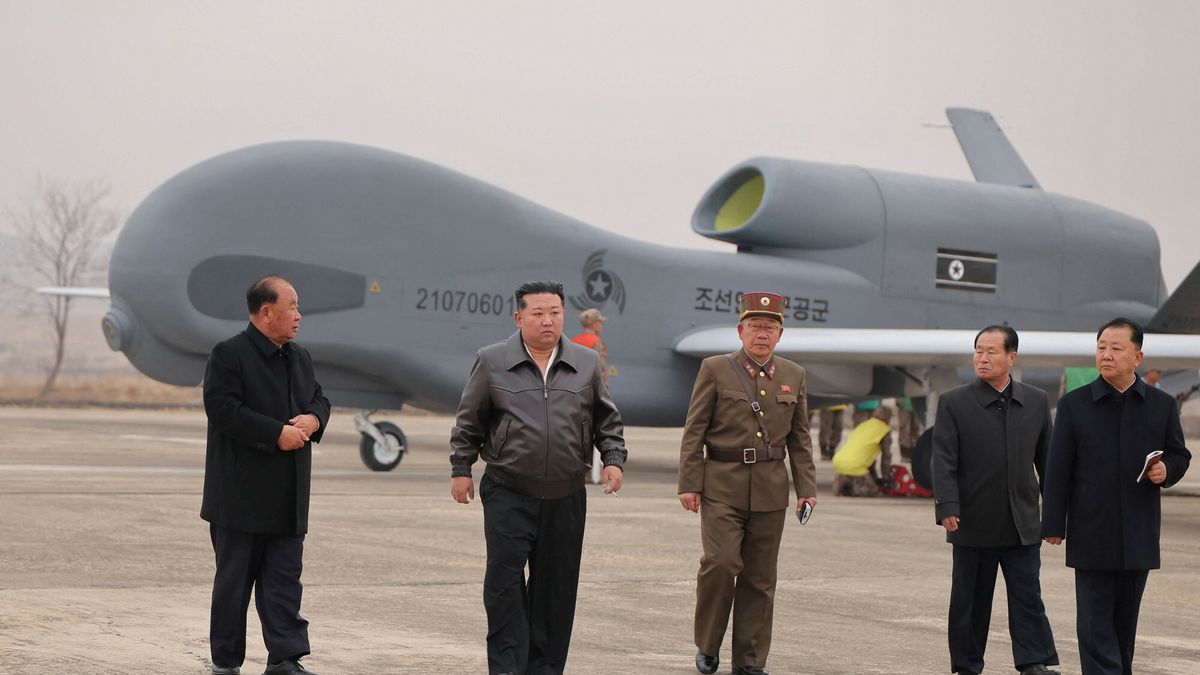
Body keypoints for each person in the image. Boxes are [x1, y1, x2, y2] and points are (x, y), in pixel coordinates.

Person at [450, 280, 627, 675]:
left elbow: (606, 418)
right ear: (519, 317)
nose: (548, 321)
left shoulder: (585, 361)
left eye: (555, 313)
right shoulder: (492, 360)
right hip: (509, 490)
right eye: (538, 314)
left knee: (555, 590)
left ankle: (544, 669)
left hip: (566, 495)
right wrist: (461, 468)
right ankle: (508, 668)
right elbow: (469, 419)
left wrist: (613, 458)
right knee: (504, 586)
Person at [677, 291, 817, 675]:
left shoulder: (794, 375)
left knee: (760, 578)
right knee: (720, 564)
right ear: (740, 330)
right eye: (755, 326)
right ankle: (707, 643)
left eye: (770, 327)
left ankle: (750, 661)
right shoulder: (715, 369)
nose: (762, 333)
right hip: (721, 486)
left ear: (780, 334)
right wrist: (689, 483)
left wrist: (807, 488)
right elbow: (695, 431)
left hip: (771, 491)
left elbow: (800, 439)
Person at [1042, 318, 1192, 675]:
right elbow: (1057, 469)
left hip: (1138, 532)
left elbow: (1179, 454)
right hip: (1091, 530)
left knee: (1124, 626)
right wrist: (1053, 524)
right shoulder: (1074, 405)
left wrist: (1166, 470)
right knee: (1094, 626)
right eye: (1101, 347)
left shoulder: (1161, 405)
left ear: (1137, 357)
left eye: (1115, 348)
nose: (1105, 355)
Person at [201, 275, 330, 675]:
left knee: (284, 584)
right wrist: (275, 434)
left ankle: (285, 658)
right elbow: (222, 409)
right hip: (240, 497)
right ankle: (226, 664)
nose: (298, 315)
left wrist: (312, 418)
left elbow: (320, 399)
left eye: (297, 306)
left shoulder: (299, 357)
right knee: (233, 588)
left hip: (288, 497)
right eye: (291, 307)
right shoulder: (229, 354)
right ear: (265, 312)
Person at [930, 325, 1060, 675]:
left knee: (1028, 597)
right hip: (973, 520)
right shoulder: (954, 402)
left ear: (1011, 356)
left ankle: (1033, 662)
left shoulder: (1035, 401)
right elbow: (943, 460)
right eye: (978, 351)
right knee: (969, 601)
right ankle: (968, 665)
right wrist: (947, 506)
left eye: (991, 351)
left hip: (1022, 522)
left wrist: (1056, 517)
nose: (982, 358)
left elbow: (1048, 462)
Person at [831, 405, 893, 497]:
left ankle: (845, 485)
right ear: (887, 417)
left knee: (852, 475)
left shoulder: (864, 424)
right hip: (855, 465)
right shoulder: (883, 430)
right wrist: (886, 477)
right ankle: (855, 489)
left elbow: (866, 451)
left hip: (838, 462)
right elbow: (886, 457)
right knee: (875, 492)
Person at [570, 307, 608, 382]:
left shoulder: (572, 341)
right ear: (594, 324)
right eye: (600, 322)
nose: (601, 325)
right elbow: (600, 369)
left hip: (574, 385)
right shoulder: (597, 342)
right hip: (590, 385)